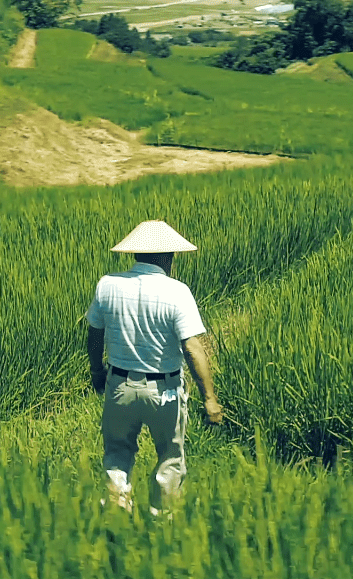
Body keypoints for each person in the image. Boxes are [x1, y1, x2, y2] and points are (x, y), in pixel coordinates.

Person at [86, 219, 224, 513]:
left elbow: (94, 333)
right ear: (167, 256)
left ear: (136, 253)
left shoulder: (107, 285)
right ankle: (162, 525)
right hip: (165, 392)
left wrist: (97, 372)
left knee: (117, 453)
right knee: (170, 458)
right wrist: (209, 398)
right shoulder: (177, 292)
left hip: (119, 386)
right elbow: (192, 347)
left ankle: (116, 516)